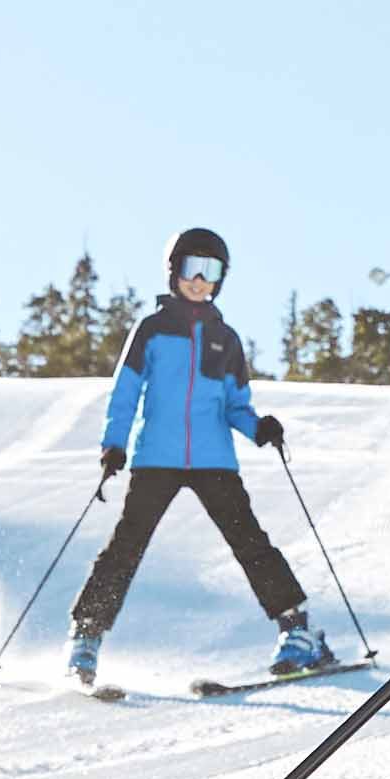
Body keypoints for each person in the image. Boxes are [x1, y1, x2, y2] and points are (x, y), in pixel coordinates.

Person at [69, 229, 341, 687]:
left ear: (220, 279)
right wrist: (114, 443)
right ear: (173, 272)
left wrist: (258, 427)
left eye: (210, 271)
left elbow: (234, 403)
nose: (198, 279)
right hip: (157, 455)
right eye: (191, 268)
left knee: (249, 541)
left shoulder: (226, 339)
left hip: (215, 458)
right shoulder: (152, 331)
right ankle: (86, 635)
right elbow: (126, 392)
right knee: (126, 545)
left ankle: (298, 629)